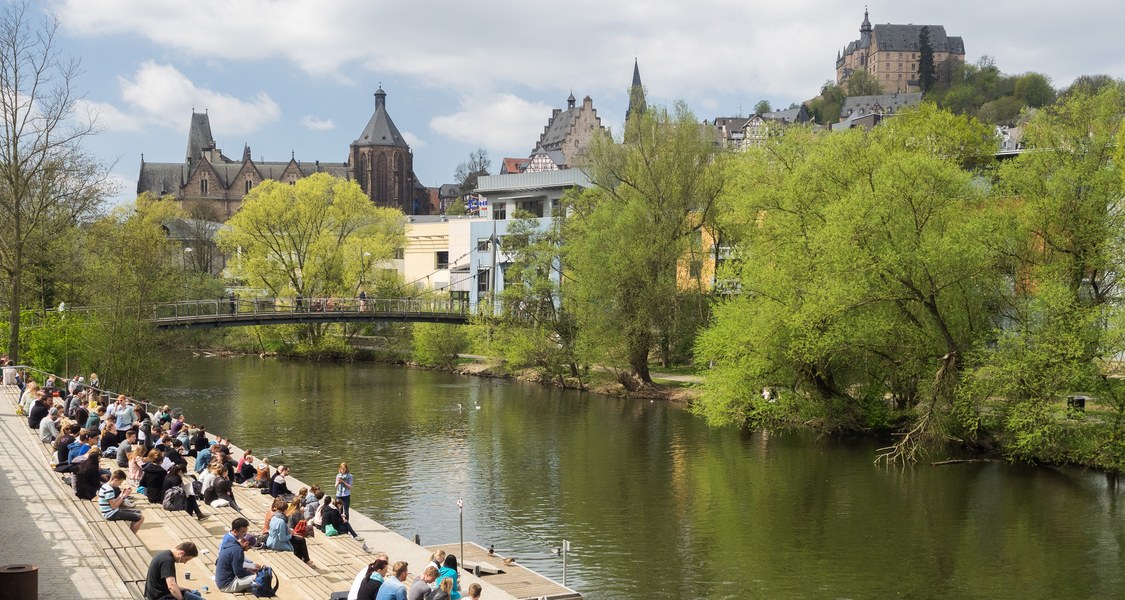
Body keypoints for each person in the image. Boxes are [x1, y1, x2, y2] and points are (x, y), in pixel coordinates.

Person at [265, 498, 315, 567]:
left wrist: (290, 530)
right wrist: (291, 535)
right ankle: (303, 561)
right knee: (299, 544)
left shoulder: (275, 517)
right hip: (277, 543)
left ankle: (304, 560)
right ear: (284, 510)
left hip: (271, 540)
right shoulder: (281, 521)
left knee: (300, 540)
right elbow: (282, 538)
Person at [215, 517, 261, 593]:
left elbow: (237, 563)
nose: (244, 536)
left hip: (222, 580)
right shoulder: (237, 549)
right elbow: (239, 572)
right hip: (227, 585)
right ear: (235, 531)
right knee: (259, 577)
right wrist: (251, 572)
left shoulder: (231, 542)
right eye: (243, 533)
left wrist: (249, 567)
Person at [98, 469, 144, 534]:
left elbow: (113, 501)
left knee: (138, 512)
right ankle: (131, 536)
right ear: (115, 480)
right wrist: (124, 496)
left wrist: (121, 494)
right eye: (120, 482)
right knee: (140, 517)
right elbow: (114, 506)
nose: (120, 484)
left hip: (109, 512)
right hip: (111, 514)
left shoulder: (105, 486)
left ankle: (130, 533)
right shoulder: (109, 490)